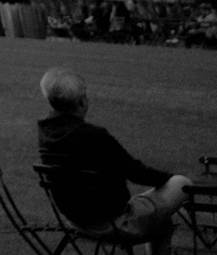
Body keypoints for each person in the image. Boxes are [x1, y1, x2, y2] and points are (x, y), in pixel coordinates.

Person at [34, 68, 189, 255]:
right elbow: (136, 172)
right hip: (114, 223)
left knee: (163, 221)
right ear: (82, 101)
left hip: (75, 220)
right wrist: (169, 180)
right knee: (182, 184)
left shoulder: (45, 132)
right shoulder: (94, 136)